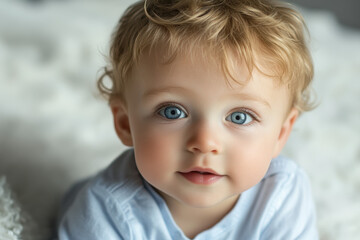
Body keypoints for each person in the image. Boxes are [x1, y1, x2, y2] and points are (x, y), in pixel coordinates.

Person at [57, 0, 318, 239]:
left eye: (239, 117)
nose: (204, 143)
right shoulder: (105, 210)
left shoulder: (281, 197)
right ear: (125, 123)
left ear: (281, 134)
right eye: (172, 111)